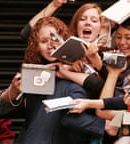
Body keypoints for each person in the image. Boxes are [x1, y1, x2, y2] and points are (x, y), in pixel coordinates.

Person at [14, 16, 105, 144]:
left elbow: (99, 88)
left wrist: (66, 71)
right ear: (36, 46)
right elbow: (27, 110)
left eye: (54, 39)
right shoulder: (33, 73)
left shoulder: (80, 66)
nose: (50, 45)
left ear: (65, 40)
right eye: (44, 41)